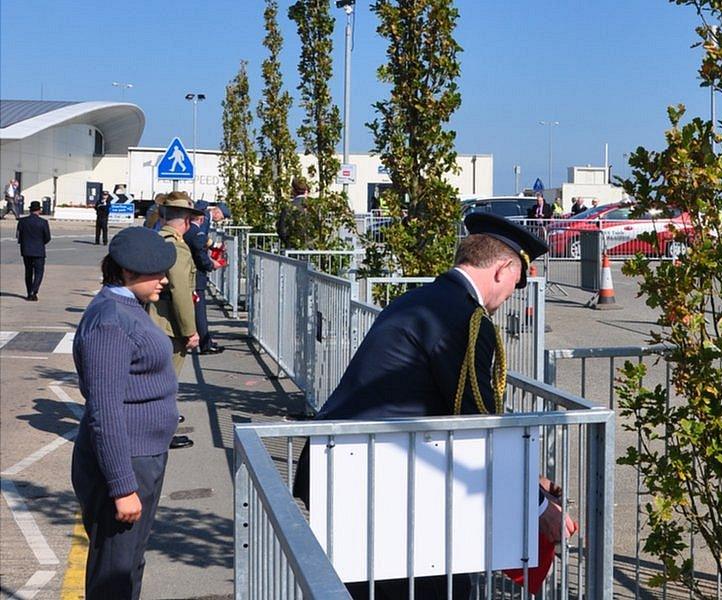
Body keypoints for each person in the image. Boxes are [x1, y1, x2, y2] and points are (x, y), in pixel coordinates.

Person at [293, 213, 575, 599]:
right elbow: (478, 428)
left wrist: (531, 477)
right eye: (515, 283)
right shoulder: (465, 318)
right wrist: (540, 506)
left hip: (357, 470)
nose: (511, 294)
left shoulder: (426, 300)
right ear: (502, 269)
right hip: (380, 483)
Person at [71, 226, 179, 598]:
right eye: (156, 273)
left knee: (129, 561)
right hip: (126, 460)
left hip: (141, 455)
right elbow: (105, 411)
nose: (165, 280)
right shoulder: (111, 322)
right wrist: (122, 486)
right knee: (113, 573)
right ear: (127, 273)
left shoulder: (128, 308)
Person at [147, 192, 205, 450]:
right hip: (168, 324)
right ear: (186, 221)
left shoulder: (155, 238)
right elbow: (181, 291)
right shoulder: (177, 246)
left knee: (155, 380)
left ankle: (156, 428)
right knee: (166, 382)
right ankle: (161, 434)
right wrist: (190, 330)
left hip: (152, 320)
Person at [185, 201, 231, 354]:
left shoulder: (196, 224)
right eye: (222, 217)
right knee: (199, 310)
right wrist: (210, 264)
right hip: (196, 273)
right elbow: (199, 244)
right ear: (217, 212)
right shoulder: (201, 222)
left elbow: (202, 241)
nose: (220, 220)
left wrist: (214, 246)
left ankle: (206, 341)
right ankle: (205, 343)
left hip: (193, 270)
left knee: (196, 309)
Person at [16, 201, 51, 301]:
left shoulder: (22, 221)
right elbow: (47, 237)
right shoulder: (43, 222)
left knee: (28, 272)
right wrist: (40, 243)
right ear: (39, 210)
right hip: (39, 250)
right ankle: (33, 291)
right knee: (39, 272)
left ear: (30, 210)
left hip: (26, 250)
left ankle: (29, 292)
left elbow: (19, 236)